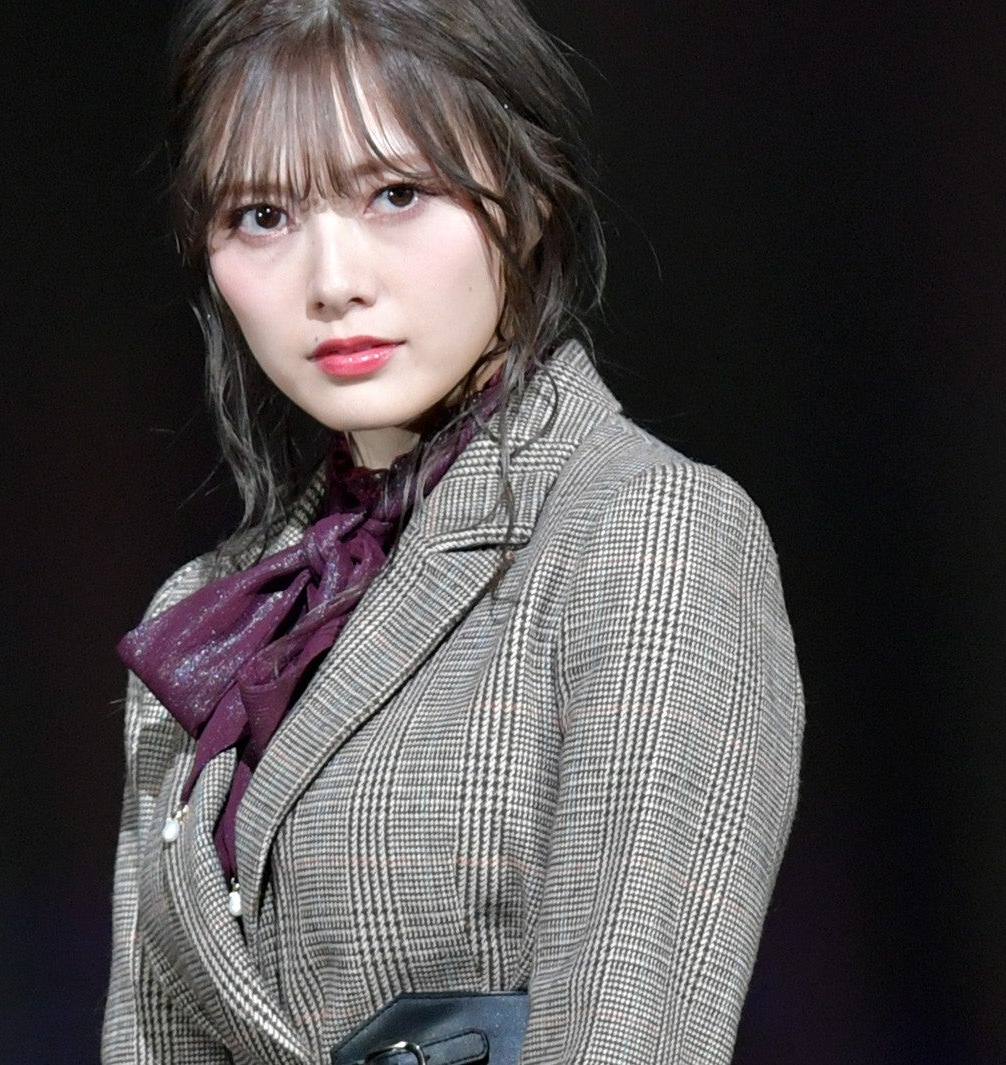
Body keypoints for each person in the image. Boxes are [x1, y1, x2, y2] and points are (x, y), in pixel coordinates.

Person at [101, 1, 803, 1062]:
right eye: (262, 215)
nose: (332, 282)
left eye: (396, 194)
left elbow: (633, 1034)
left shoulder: (645, 535)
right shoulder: (206, 618)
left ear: (530, 197)